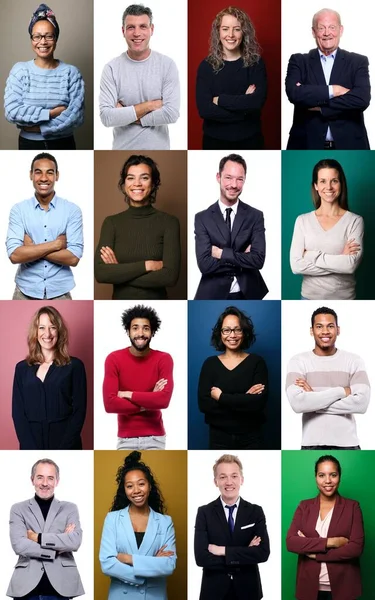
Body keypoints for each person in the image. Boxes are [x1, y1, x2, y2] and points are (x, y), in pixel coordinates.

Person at [94, 154, 180, 300]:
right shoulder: (111, 223)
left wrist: (119, 272)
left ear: (153, 183)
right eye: (131, 177)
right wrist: (147, 265)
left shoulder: (169, 222)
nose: (137, 183)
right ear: (124, 183)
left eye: (144, 177)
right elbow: (101, 274)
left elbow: (170, 277)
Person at [285, 306, 370, 450]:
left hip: (348, 444)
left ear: (338, 330)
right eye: (319, 326)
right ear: (311, 331)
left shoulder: (354, 361)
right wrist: (342, 391)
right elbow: (298, 404)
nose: (325, 331)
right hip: (311, 443)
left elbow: (361, 404)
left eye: (330, 326)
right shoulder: (298, 361)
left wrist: (313, 399)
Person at [285, 8, 370, 150]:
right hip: (306, 145)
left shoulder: (358, 61)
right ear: (313, 32)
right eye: (321, 28)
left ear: (341, 30)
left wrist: (320, 106)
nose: (326, 33)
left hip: (350, 146)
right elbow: (294, 93)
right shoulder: (299, 61)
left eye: (332, 27)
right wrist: (333, 90)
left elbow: (362, 99)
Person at [99, 4, 180, 150]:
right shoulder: (111, 69)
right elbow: (107, 117)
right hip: (121, 151)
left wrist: (126, 114)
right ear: (123, 31)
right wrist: (149, 106)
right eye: (131, 27)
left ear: (151, 29)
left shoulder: (167, 65)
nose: (137, 33)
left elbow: (171, 114)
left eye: (143, 26)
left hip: (160, 152)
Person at [4, 3, 84, 150]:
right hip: (28, 144)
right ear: (31, 39)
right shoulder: (20, 71)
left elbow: (75, 117)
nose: (43, 42)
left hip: (64, 144)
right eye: (37, 36)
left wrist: (37, 129)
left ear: (56, 38)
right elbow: (12, 112)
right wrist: (51, 113)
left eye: (49, 36)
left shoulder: (71, 73)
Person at [6, 152, 84, 300]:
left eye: (49, 172)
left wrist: (32, 248)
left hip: (60, 291)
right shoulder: (19, 210)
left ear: (57, 175)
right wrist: (56, 244)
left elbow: (73, 258)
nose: (43, 178)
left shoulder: (72, 210)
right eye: (38, 172)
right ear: (31, 175)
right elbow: (15, 255)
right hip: (24, 291)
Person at [99, 451, 176, 599]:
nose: (136, 491)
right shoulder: (112, 519)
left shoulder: (165, 522)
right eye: (129, 486)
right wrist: (150, 566)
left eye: (141, 484)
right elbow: (107, 563)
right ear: (125, 490)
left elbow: (168, 565)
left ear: (150, 486)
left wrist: (128, 559)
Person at [286, 454, 364, 600]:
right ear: (316, 477)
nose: (328, 481)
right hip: (309, 587)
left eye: (333, 475)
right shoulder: (304, 506)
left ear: (339, 476)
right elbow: (291, 542)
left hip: (343, 587)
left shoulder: (352, 507)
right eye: (322, 475)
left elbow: (356, 548)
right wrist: (332, 542)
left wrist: (315, 554)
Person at [7, 458, 84, 599]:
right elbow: (19, 545)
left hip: (62, 587)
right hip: (25, 588)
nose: (44, 483)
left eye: (50, 478)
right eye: (40, 477)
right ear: (32, 480)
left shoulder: (70, 508)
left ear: (57, 481)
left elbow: (74, 541)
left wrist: (37, 538)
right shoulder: (18, 509)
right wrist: (56, 550)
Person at [194, 454, 270, 600]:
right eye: (223, 477)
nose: (229, 482)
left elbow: (263, 553)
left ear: (242, 479)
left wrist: (222, 551)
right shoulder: (204, 512)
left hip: (248, 591)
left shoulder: (255, 511)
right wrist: (246, 552)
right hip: (214, 592)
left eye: (234, 476)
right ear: (215, 481)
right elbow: (201, 558)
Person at [12, 305, 87, 450]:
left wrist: (64, 448)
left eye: (52, 327)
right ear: (35, 332)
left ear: (59, 331)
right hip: (30, 444)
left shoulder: (75, 366)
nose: (47, 333)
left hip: (66, 445)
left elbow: (79, 412)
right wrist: (29, 448)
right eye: (41, 327)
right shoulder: (21, 369)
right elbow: (18, 412)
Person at [194, 153, 268, 300]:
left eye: (240, 179)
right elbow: (204, 265)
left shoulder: (255, 216)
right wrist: (243, 257)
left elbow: (258, 260)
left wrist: (221, 253)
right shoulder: (202, 218)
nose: (234, 185)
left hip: (249, 292)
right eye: (228, 177)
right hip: (212, 294)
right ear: (218, 177)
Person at [290, 158, 364, 300]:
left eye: (334, 181)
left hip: (345, 300)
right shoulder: (302, 221)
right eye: (323, 181)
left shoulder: (355, 221)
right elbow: (296, 266)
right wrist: (339, 260)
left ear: (341, 184)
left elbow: (350, 266)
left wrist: (310, 256)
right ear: (316, 186)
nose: (328, 187)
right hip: (308, 299)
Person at [103, 304, 173, 450]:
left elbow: (163, 401)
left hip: (155, 437)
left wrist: (128, 394)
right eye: (135, 328)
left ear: (152, 332)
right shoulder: (114, 359)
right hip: (125, 438)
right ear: (128, 331)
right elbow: (110, 405)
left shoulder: (164, 359)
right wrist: (150, 398)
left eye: (146, 328)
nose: (140, 333)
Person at [196, 6, 267, 150]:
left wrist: (220, 100)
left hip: (250, 141)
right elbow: (205, 110)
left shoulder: (256, 63)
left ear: (244, 32)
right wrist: (244, 109)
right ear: (218, 32)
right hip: (215, 142)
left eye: (237, 29)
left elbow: (256, 103)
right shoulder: (206, 66)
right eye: (225, 28)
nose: (231, 34)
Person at [198, 306, 267, 449]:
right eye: (227, 330)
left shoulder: (257, 362)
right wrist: (244, 399)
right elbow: (204, 405)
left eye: (237, 329)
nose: (232, 335)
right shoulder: (210, 364)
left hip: (251, 437)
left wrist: (221, 397)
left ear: (244, 332)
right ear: (220, 333)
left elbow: (258, 404)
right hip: (218, 438)